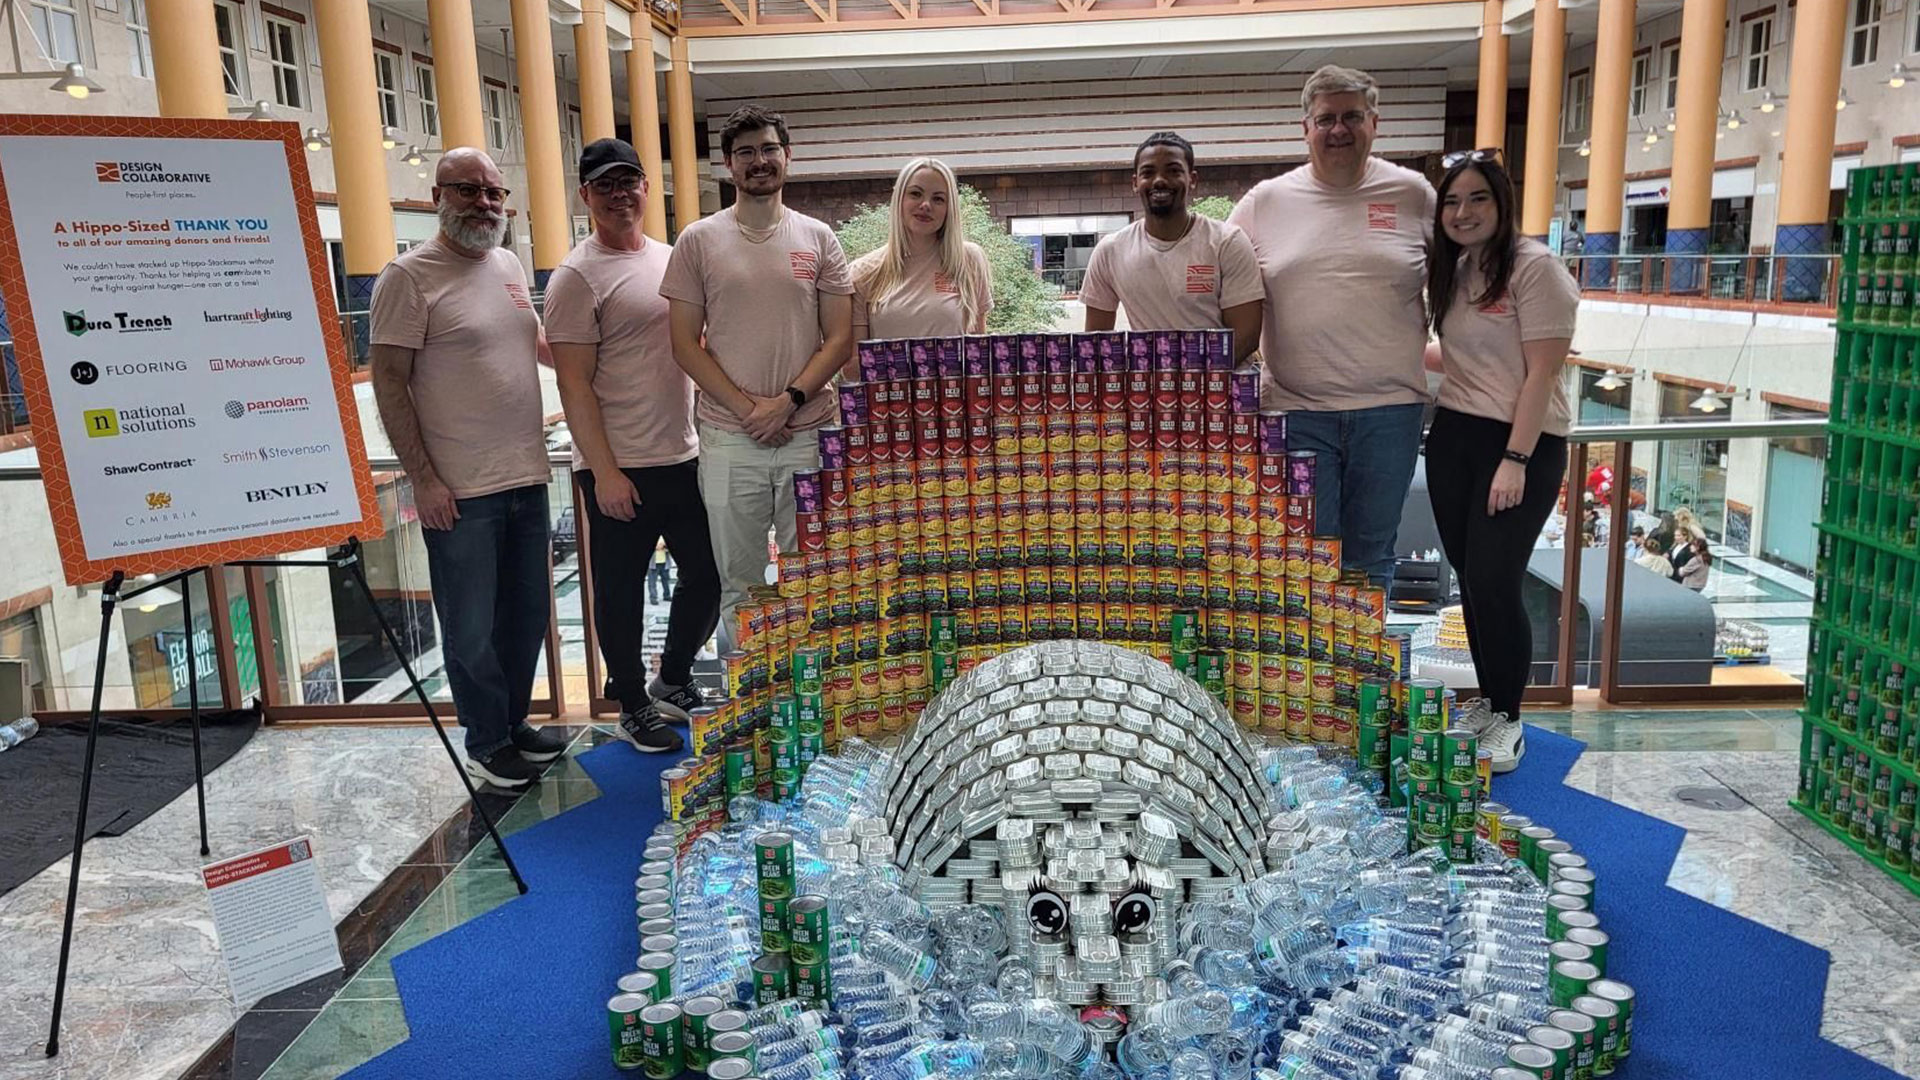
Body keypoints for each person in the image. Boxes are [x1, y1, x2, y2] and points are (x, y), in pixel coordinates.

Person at [368, 147, 566, 790]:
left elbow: (532, 342)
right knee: (471, 624)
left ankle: (511, 723)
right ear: (436, 197)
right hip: (459, 489)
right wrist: (423, 478)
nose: (484, 203)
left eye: (493, 193)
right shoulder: (408, 277)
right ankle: (485, 739)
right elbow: (390, 381)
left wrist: (611, 364)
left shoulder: (507, 263)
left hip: (525, 474)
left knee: (527, 612)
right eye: (467, 190)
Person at [1229, 65, 1436, 587]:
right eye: (1325, 119)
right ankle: (1307, 671)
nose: (1338, 130)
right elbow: (1218, 285)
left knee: (1371, 559)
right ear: (1305, 128)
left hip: (1390, 412)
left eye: (1351, 117)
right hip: (1297, 413)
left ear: (1374, 123)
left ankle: (1363, 670)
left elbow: (1465, 285)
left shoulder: (1414, 194)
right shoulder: (1264, 202)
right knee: (1304, 562)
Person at [546, 138, 719, 755]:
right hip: (620, 467)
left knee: (708, 573)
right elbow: (572, 381)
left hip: (685, 454)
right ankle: (631, 703)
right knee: (619, 589)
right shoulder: (575, 277)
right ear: (585, 195)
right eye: (605, 185)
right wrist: (604, 470)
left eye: (630, 182)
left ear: (648, 188)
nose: (620, 194)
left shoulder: (672, 260)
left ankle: (672, 678)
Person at [663, 105, 854, 654]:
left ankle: (804, 690)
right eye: (745, 153)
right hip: (729, 441)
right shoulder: (698, 240)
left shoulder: (819, 238)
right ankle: (747, 702)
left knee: (809, 575)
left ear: (787, 157)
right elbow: (683, 343)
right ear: (728, 166)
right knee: (739, 582)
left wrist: (787, 402)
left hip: (809, 436)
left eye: (769, 149)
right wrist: (752, 410)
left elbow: (838, 339)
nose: (759, 161)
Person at [1421, 149, 1579, 774]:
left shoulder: (1536, 269)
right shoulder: (1457, 268)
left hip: (1520, 444)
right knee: (1471, 582)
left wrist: (1516, 457)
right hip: (1455, 434)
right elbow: (1460, 359)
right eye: (1452, 201)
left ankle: (1510, 720)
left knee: (1495, 578)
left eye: (1476, 198)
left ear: (1502, 202)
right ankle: (1488, 702)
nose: (1462, 212)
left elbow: (1542, 373)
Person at [1082, 132, 1263, 361]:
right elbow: (1096, 342)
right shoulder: (1110, 251)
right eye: (1148, 172)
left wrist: (1191, 384)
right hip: (1154, 392)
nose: (1159, 180)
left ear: (1192, 180)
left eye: (1173, 171)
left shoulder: (1227, 242)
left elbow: (1246, 336)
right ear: (1135, 183)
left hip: (1221, 390)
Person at [848, 156, 992, 361]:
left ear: (949, 209)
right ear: (899, 199)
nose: (925, 205)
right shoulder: (863, 272)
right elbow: (854, 366)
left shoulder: (969, 260)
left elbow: (978, 353)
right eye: (915, 194)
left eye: (938, 199)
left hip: (954, 393)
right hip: (891, 393)